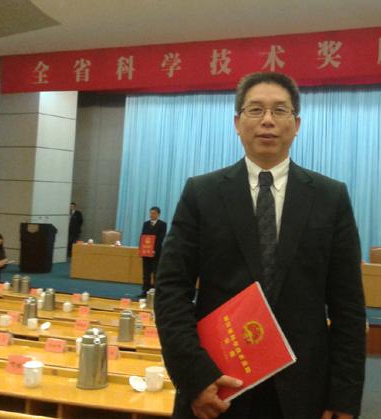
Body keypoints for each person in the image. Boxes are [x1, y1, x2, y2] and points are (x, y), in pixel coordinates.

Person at [155, 72, 366, 419]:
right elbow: (171, 290)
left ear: (296, 125)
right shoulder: (202, 193)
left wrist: (344, 397)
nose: (268, 120)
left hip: (304, 391)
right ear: (237, 123)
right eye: (255, 110)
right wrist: (195, 377)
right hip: (218, 386)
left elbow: (349, 307)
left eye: (280, 110)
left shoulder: (331, 197)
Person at [140, 206, 167, 297]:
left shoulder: (162, 224)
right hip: (146, 253)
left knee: (156, 273)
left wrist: (154, 249)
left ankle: (156, 293)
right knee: (146, 273)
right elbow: (143, 237)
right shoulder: (146, 224)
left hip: (156, 253)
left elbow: (160, 239)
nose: (151, 215)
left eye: (154, 213)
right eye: (151, 213)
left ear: (158, 214)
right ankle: (145, 291)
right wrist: (141, 249)